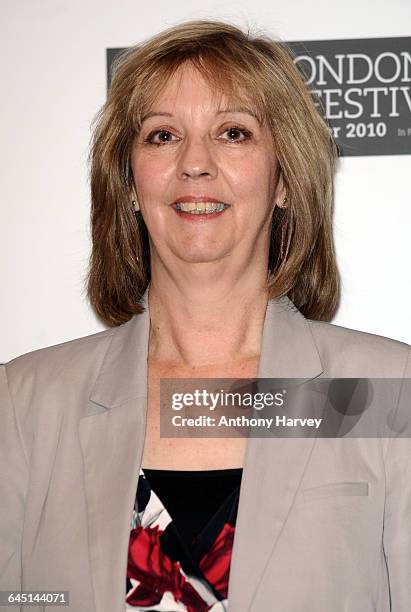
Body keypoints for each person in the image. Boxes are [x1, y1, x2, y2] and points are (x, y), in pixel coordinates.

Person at [1, 18, 410, 612]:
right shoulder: (25, 406)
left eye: (234, 133)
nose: (195, 163)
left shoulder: (385, 393)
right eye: (163, 136)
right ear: (130, 183)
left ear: (284, 181)